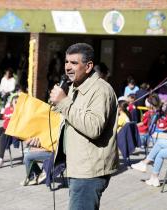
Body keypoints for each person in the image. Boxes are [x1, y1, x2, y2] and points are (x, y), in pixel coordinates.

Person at [50, 43, 118, 210]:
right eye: (66, 62)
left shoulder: (101, 90)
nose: (67, 67)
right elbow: (70, 123)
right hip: (77, 166)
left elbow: (94, 128)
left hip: (89, 172)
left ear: (88, 66)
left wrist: (64, 102)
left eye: (74, 63)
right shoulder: (74, 87)